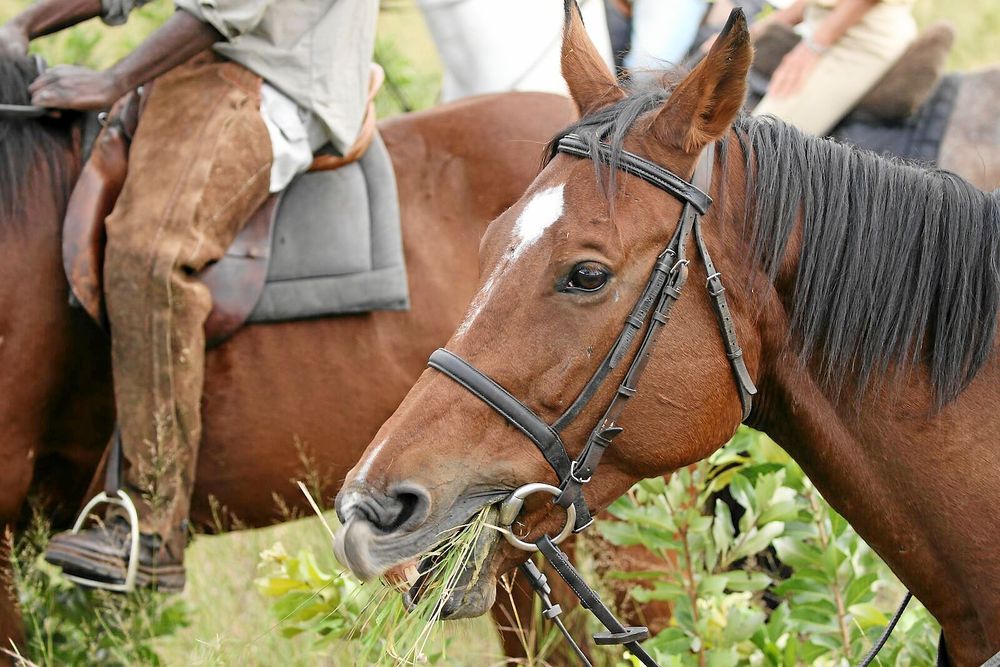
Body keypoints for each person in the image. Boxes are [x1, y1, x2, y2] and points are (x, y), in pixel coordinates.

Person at [0, 0, 377, 591]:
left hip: (270, 79)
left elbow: (227, 7)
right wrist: (23, 26)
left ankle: (149, 527)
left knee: (148, 253)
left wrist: (114, 79)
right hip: (196, 69)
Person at [749, 0, 917, 135]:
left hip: (858, 36)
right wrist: (750, 33)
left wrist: (812, 48)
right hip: (823, 24)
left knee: (762, 139)